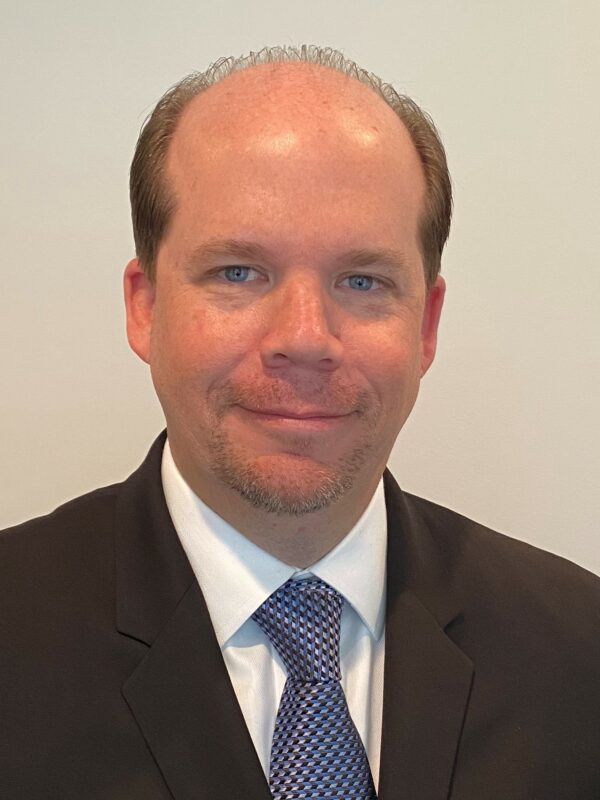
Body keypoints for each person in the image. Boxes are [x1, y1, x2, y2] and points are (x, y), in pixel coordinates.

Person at [1, 45, 599, 800]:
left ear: (425, 325)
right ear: (144, 306)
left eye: (362, 280)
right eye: (238, 272)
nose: (306, 337)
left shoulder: (578, 652)